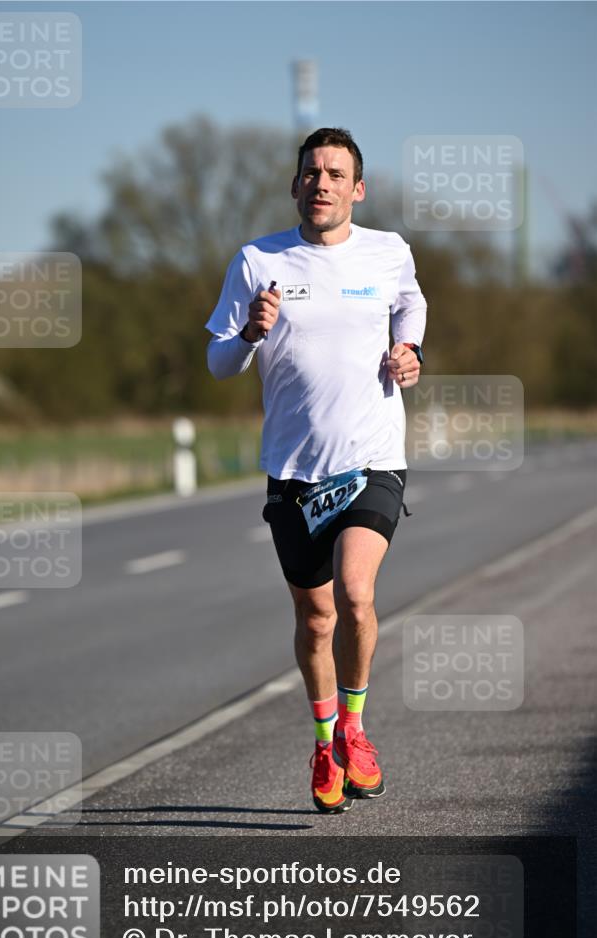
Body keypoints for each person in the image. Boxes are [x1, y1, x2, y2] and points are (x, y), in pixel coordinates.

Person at [206, 127, 426, 814]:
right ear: (294, 185)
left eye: (335, 174)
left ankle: (355, 729)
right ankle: (325, 741)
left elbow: (410, 303)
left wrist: (409, 349)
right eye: (311, 173)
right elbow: (218, 362)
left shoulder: (387, 251)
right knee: (317, 615)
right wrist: (251, 332)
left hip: (371, 461)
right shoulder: (257, 261)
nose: (321, 183)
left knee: (355, 594)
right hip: (295, 472)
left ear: (357, 189)